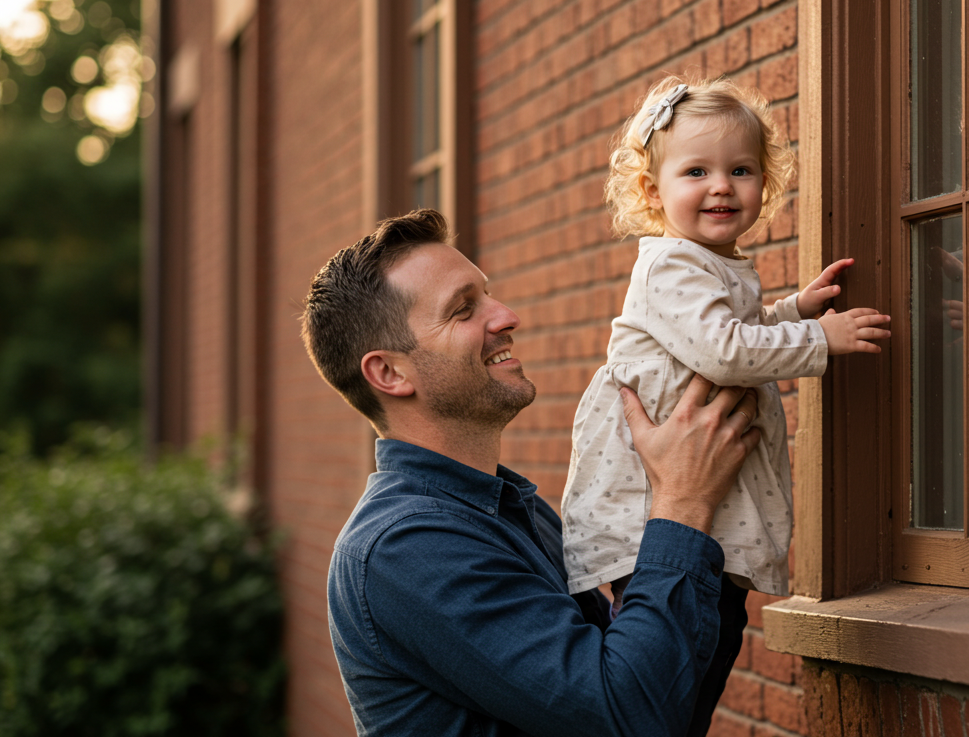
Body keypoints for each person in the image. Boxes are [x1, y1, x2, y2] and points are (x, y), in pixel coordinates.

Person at [302, 208, 768, 736]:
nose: (505, 316)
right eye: (463, 309)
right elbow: (627, 715)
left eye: (487, 295)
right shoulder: (404, 547)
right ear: (389, 372)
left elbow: (670, 697)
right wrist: (682, 504)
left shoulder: (516, 511)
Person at [559, 75, 891, 731]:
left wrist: (793, 309)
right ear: (653, 193)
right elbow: (721, 350)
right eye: (696, 171)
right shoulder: (670, 265)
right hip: (654, 514)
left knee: (709, 651)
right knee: (677, 663)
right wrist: (818, 339)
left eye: (741, 169)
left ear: (763, 184)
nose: (721, 186)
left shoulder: (708, 264)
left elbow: (729, 328)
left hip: (697, 505)